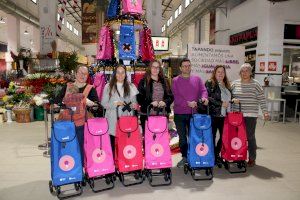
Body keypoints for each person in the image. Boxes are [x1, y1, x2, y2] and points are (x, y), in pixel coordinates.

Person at [54, 66, 99, 165]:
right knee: (68, 147)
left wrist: (90, 104)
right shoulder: (67, 87)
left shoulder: (90, 89)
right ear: (75, 74)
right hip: (67, 124)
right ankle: (69, 167)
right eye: (80, 73)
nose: (83, 75)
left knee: (82, 147)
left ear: (88, 76)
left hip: (83, 125)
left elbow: (97, 106)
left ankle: (82, 169)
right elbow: (56, 101)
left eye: (85, 74)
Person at [172, 58, 208, 168]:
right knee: (183, 138)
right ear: (180, 68)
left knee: (194, 137)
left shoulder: (197, 79)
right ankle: (184, 157)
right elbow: (175, 96)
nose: (187, 68)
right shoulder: (175, 80)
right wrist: (188, 103)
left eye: (188, 65)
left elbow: (203, 91)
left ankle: (195, 156)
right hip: (180, 114)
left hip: (194, 114)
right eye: (184, 66)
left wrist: (204, 98)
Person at [231, 63, 270, 167]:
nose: (244, 73)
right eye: (242, 71)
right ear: (240, 73)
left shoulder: (256, 84)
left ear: (250, 72)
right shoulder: (234, 84)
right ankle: (239, 156)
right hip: (237, 115)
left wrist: (265, 112)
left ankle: (252, 158)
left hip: (251, 115)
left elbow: (262, 99)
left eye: (247, 71)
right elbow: (229, 97)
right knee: (238, 137)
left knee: (250, 136)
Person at [101, 65, 139, 152]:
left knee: (124, 146)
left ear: (126, 74)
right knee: (112, 145)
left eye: (122, 73)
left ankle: (122, 164)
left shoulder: (131, 86)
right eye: (118, 72)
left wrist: (134, 105)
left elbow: (135, 103)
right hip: (112, 121)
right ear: (115, 74)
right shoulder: (108, 86)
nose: (120, 75)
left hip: (126, 120)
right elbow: (103, 104)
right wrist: (115, 104)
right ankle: (113, 164)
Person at [137, 60, 174, 133]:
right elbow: (139, 98)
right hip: (147, 115)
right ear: (150, 68)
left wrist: (165, 102)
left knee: (161, 140)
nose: (155, 69)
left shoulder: (165, 81)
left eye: (157, 67)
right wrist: (150, 103)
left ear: (160, 69)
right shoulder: (143, 81)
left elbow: (171, 97)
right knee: (148, 141)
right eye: (153, 67)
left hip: (162, 115)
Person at [205, 65, 231, 165]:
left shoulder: (227, 84)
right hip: (213, 114)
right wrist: (221, 103)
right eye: (218, 72)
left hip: (225, 115)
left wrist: (232, 100)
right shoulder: (210, 83)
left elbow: (229, 98)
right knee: (212, 136)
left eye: (222, 72)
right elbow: (208, 97)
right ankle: (213, 156)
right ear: (215, 73)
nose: (221, 74)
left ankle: (216, 154)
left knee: (224, 136)